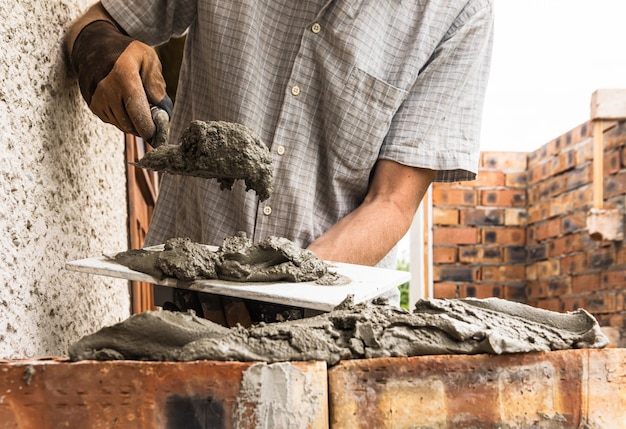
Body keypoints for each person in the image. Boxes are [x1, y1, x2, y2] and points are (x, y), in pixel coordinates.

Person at [66, 0, 494, 323]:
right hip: (187, 296)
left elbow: (392, 202)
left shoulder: (457, 12)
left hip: (327, 316)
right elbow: (95, 24)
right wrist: (99, 52)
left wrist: (283, 289)